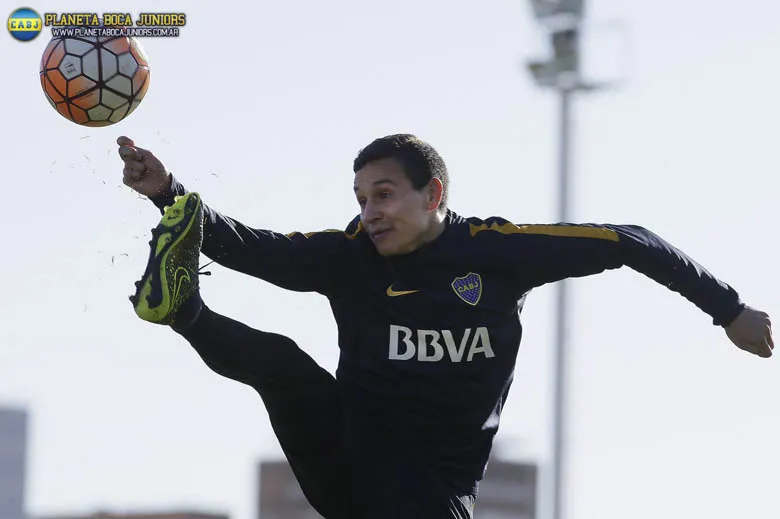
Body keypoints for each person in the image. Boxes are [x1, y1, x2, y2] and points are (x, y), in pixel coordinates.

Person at [117, 133, 773, 519]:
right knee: (288, 367)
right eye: (360, 198)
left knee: (381, 456)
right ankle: (182, 310)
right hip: (343, 462)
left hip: (427, 488)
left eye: (384, 194)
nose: (369, 212)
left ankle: (186, 312)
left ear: (433, 195)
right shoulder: (348, 256)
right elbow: (251, 247)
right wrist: (167, 191)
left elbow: (628, 239)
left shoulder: (496, 250)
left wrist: (730, 310)